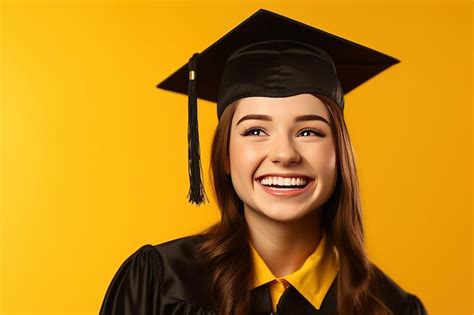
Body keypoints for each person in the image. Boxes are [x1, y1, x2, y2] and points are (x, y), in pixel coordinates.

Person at [99, 9, 428, 315]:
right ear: (225, 155)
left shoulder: (390, 307)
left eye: (309, 132)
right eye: (256, 130)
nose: (284, 154)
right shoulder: (162, 284)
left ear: (340, 154)